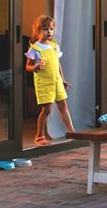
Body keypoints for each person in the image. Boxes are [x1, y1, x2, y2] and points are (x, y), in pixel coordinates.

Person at [25, 15, 75, 146]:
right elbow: (27, 66)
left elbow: (57, 64)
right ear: (38, 31)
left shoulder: (54, 46)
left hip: (57, 82)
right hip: (44, 83)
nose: (49, 32)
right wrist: (35, 66)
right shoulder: (35, 48)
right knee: (47, 110)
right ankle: (39, 135)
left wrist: (63, 80)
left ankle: (72, 132)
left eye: (51, 29)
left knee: (63, 106)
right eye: (46, 29)